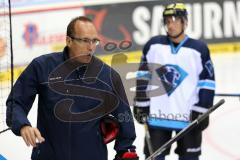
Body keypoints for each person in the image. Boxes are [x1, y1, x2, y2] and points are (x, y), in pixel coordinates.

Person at [6, 16, 139, 160]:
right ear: (69, 41)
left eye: (94, 41)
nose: (91, 47)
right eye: (85, 40)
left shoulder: (108, 76)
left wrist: (125, 151)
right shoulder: (42, 67)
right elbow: (15, 103)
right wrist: (23, 125)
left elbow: (124, 117)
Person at [133, 3, 215, 160]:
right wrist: (141, 104)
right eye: (168, 21)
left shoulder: (199, 49)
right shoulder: (153, 45)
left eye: (176, 20)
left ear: (185, 22)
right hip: (157, 117)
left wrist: (203, 110)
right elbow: (143, 76)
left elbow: (207, 82)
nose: (171, 25)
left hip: (189, 120)